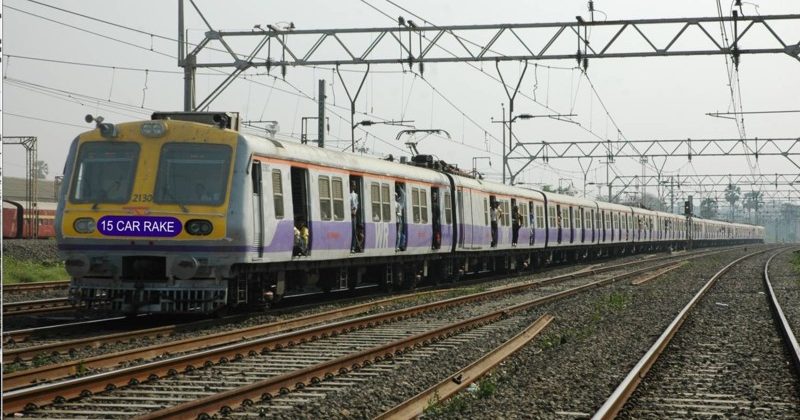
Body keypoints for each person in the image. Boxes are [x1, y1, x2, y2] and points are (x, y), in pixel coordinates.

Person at [350, 181, 360, 252]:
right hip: (348, 213)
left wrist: (354, 211)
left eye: (354, 185)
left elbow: (356, 205)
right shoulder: (347, 194)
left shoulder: (355, 195)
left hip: (353, 214)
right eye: (353, 185)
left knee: (354, 231)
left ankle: (353, 247)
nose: (354, 187)